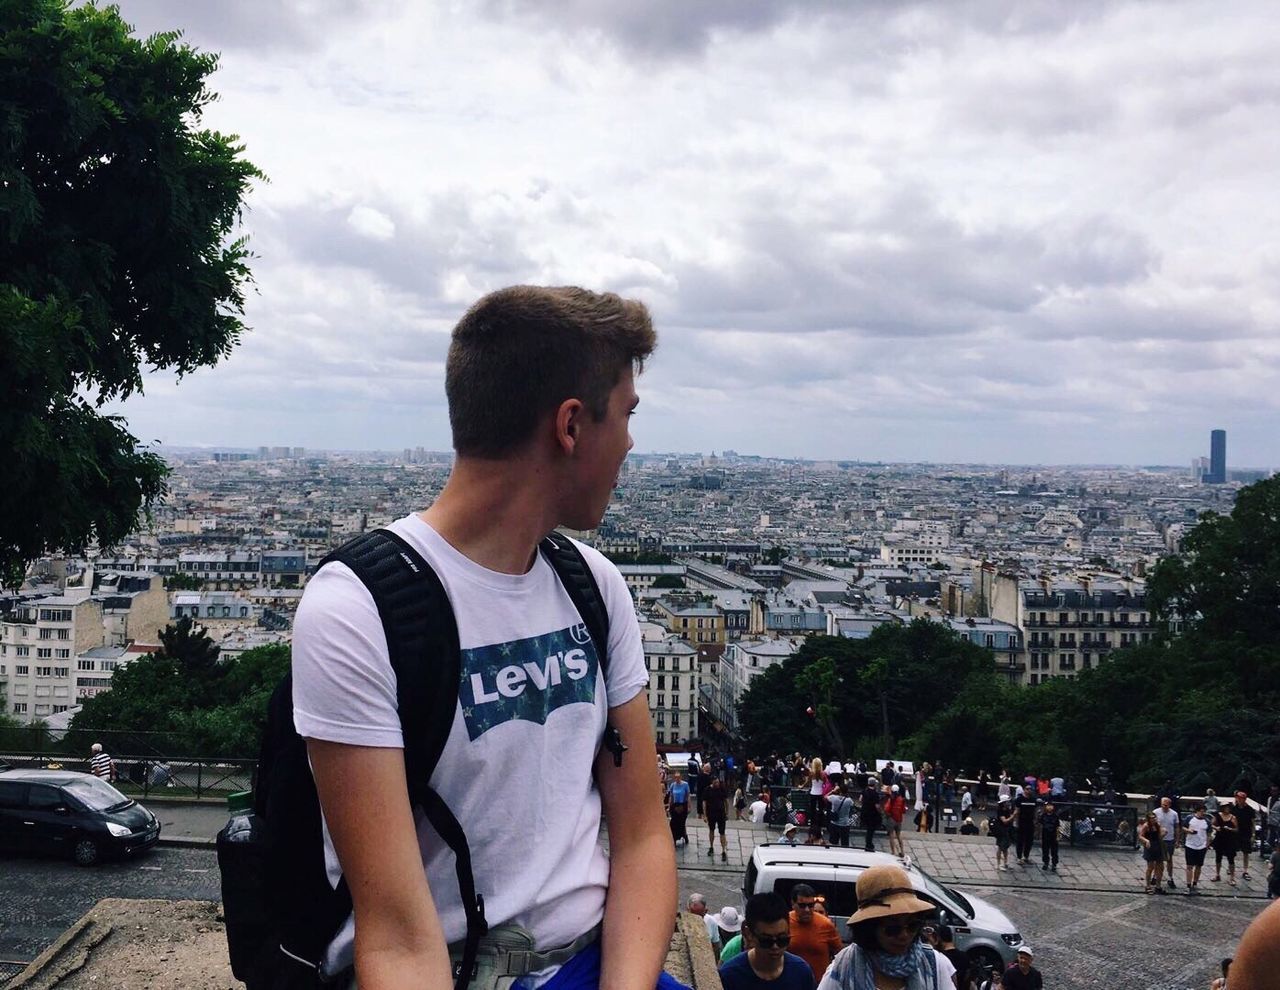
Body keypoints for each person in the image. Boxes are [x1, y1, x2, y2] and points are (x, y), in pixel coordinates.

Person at [291, 286, 678, 990]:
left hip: (593, 964)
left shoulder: (595, 585)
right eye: (625, 416)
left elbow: (644, 836)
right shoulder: (359, 608)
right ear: (570, 426)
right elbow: (400, 939)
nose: (629, 444)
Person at [816, 864, 950, 990]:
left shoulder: (935, 964)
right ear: (869, 929)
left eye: (912, 926)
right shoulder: (842, 968)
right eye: (893, 929)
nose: (904, 935)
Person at [718, 891, 815, 990]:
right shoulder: (729, 976)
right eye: (766, 941)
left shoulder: (801, 972)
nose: (775, 947)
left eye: (782, 939)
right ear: (748, 934)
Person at [788, 885, 843, 984]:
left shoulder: (825, 924)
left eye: (810, 905)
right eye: (802, 905)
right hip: (791, 983)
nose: (807, 910)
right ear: (793, 904)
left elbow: (840, 955)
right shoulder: (785, 922)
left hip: (819, 984)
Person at [1154, 796, 1181, 889]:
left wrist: (1177, 840)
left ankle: (1170, 877)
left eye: (1166, 805)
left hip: (1169, 839)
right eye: (1162, 805)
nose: (1164, 807)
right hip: (1158, 839)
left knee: (1169, 859)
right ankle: (1155, 876)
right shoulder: (1156, 812)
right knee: (1157, 859)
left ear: (1169, 805)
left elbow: (1177, 827)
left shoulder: (1174, 814)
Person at [1183, 803, 1211, 893]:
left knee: (1199, 866)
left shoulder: (1207, 822)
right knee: (1189, 865)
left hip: (1201, 846)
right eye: (1201, 811)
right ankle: (1188, 884)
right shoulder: (1189, 818)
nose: (1202, 813)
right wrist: (1189, 831)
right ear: (1197, 811)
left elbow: (1209, 834)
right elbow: (1183, 827)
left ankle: (1195, 883)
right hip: (1190, 845)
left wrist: (1207, 845)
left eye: (1204, 812)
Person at [1212, 802, 1239, 885]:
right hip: (1220, 838)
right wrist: (1216, 828)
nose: (1227, 809)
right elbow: (1212, 824)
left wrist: (1230, 829)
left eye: (1228, 808)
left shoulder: (1233, 817)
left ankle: (1232, 877)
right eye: (1225, 807)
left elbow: (1236, 829)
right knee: (1218, 857)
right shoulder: (1218, 815)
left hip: (1229, 840)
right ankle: (1217, 874)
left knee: (1231, 859)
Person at [704, 774, 730, 862]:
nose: (717, 784)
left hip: (721, 814)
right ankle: (711, 846)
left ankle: (723, 850)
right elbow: (704, 802)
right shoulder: (707, 790)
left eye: (718, 782)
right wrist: (705, 815)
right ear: (712, 782)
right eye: (715, 783)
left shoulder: (722, 789)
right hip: (711, 813)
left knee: (722, 832)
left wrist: (727, 812)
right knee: (711, 830)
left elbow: (726, 801)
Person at [1140, 811, 1167, 894]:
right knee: (1150, 867)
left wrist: (1163, 834)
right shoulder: (1146, 826)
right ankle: (1148, 886)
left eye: (1154, 818)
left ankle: (1158, 886)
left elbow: (1159, 836)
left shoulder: (1157, 825)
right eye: (1151, 818)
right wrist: (1146, 841)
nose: (1153, 819)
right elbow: (1141, 836)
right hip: (1150, 846)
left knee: (1160, 867)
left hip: (1157, 846)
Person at [1233, 790, 1256, 881]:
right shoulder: (1234, 809)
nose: (1239, 800)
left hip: (1246, 832)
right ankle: (1231, 867)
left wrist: (1253, 834)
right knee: (1232, 851)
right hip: (1236, 832)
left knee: (1246, 852)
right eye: (1238, 798)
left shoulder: (1250, 809)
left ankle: (1245, 870)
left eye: (1241, 798)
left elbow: (1253, 822)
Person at [1014, 785, 1038, 866]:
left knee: (1029, 841)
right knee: (1020, 840)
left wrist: (1035, 820)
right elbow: (1017, 811)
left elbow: (1035, 810)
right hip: (1022, 821)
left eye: (1031, 789)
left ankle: (1026, 856)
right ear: (1024, 790)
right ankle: (1019, 857)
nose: (1029, 791)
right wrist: (1016, 823)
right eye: (1027, 789)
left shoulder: (1033, 799)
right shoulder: (1019, 799)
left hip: (1030, 822)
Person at [667, 770, 691, 847]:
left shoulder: (685, 785)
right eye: (675, 777)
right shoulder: (673, 785)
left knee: (681, 823)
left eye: (678, 777)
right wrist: (669, 806)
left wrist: (689, 806)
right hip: (675, 805)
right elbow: (671, 796)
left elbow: (688, 795)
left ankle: (684, 835)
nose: (677, 779)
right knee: (673, 823)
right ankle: (674, 838)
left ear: (681, 777)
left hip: (682, 805)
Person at [885, 785, 908, 858]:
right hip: (899, 819)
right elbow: (904, 810)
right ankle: (902, 851)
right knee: (898, 835)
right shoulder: (901, 799)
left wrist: (888, 814)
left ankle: (893, 852)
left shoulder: (891, 799)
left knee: (891, 835)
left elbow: (886, 809)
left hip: (891, 818)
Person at [861, 776, 884, 852]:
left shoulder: (864, 791)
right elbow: (877, 806)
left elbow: (860, 799)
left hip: (865, 812)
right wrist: (881, 812)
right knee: (870, 830)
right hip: (872, 814)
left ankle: (868, 843)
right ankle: (869, 844)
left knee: (868, 829)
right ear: (874, 784)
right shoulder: (875, 794)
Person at [1038, 801, 1060, 872]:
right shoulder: (1043, 816)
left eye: (1051, 805)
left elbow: (1057, 827)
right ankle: (1046, 863)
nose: (1049, 807)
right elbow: (1041, 826)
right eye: (1048, 805)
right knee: (1045, 850)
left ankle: (1054, 864)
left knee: (1054, 851)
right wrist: (1040, 836)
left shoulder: (1056, 816)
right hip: (1045, 835)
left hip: (1053, 835)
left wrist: (1058, 836)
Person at [994, 800, 1015, 872]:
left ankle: (1005, 862)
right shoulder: (1000, 811)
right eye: (1007, 802)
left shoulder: (1008, 810)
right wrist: (1013, 816)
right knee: (1000, 847)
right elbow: (1005, 821)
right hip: (1001, 831)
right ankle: (998, 864)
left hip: (1007, 830)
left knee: (1005, 847)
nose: (1008, 803)